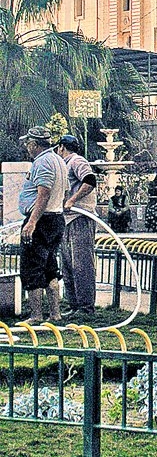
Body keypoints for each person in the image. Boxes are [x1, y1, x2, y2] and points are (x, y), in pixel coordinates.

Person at [18, 126, 68, 324]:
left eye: (28, 143)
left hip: (42, 220)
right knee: (50, 266)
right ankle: (55, 313)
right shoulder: (58, 160)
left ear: (34, 144)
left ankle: (36, 315)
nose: (26, 147)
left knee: (32, 267)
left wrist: (32, 222)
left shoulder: (43, 162)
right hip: (55, 218)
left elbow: (43, 194)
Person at [57, 134, 98, 316]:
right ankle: (73, 305)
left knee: (82, 264)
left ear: (62, 147)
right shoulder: (64, 165)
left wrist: (72, 200)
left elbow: (90, 181)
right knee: (67, 264)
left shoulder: (77, 161)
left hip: (80, 218)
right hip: (66, 219)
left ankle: (86, 307)